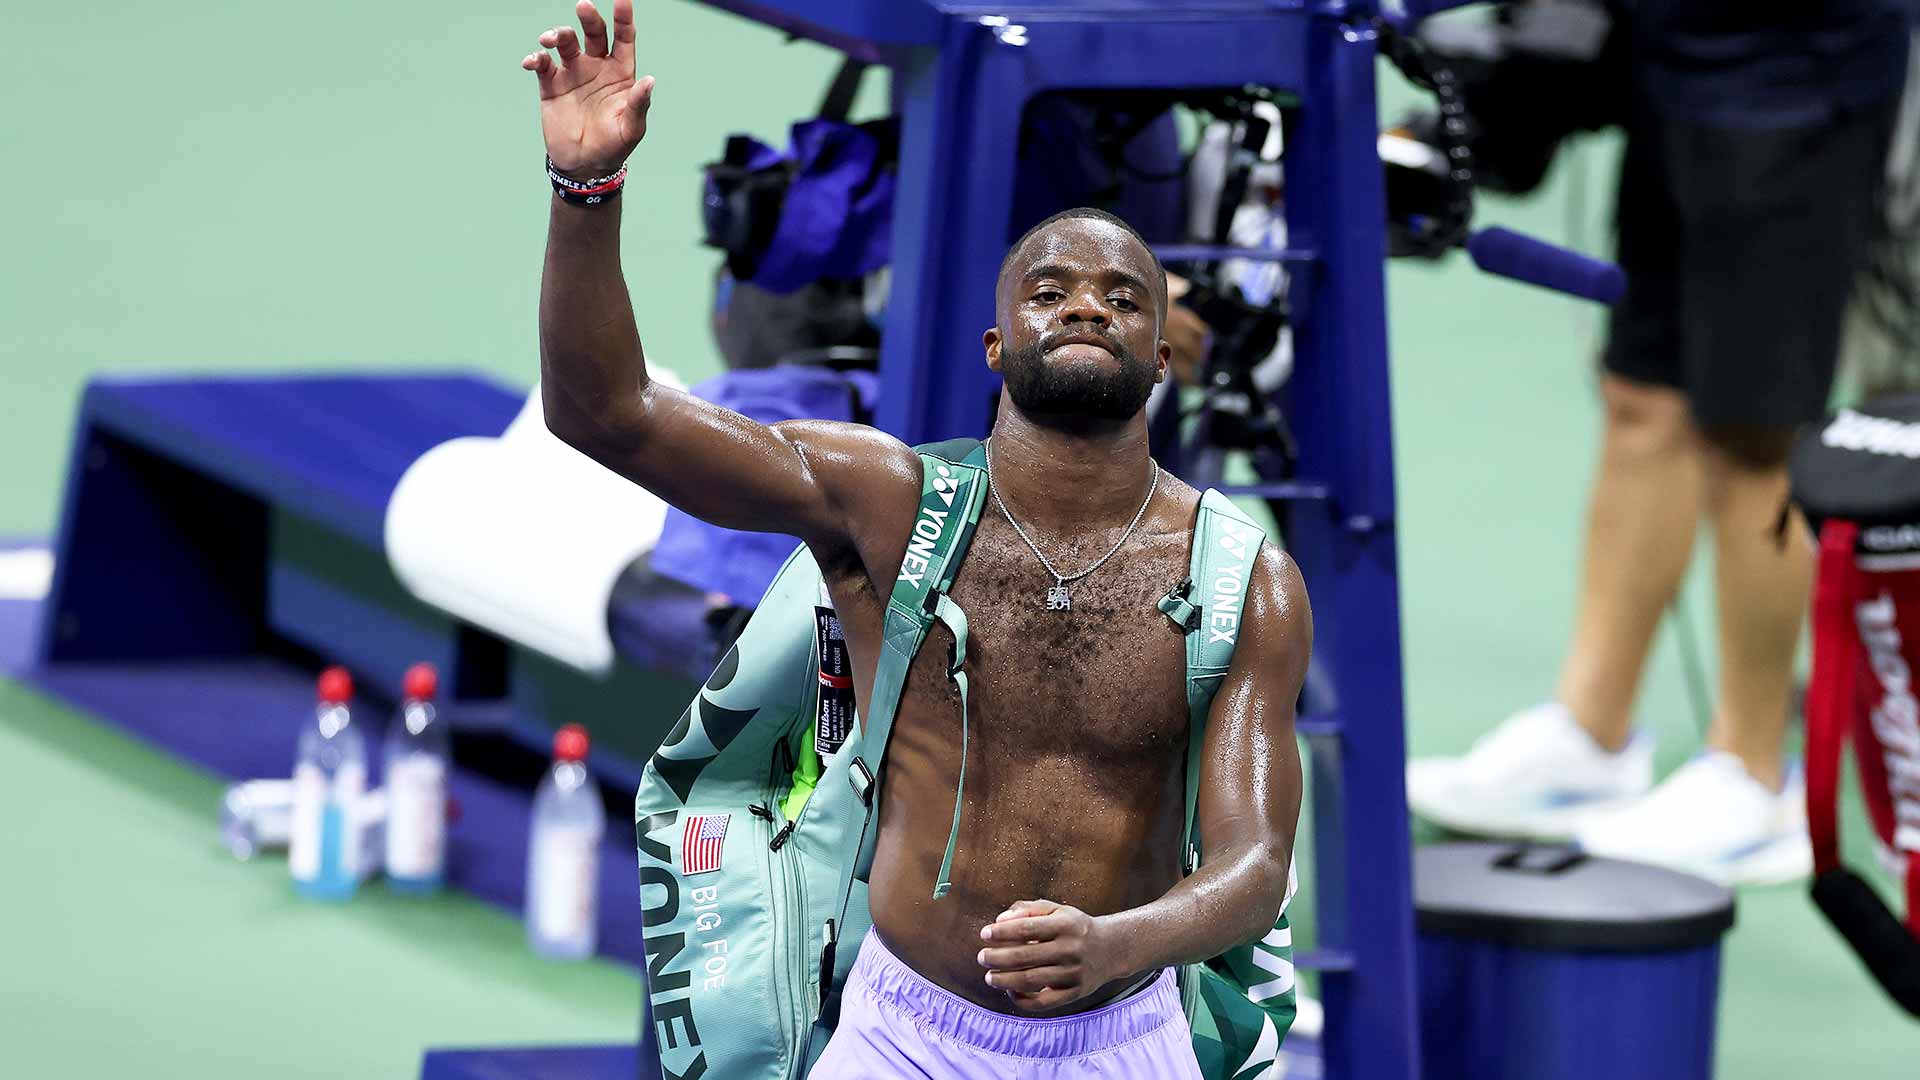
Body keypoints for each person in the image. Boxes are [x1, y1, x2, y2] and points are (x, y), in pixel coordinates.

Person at [518, 2, 1311, 1075]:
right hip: (907, 1040)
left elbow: (1255, 864)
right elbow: (606, 412)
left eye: (1123, 298)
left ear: (1163, 358)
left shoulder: (1241, 580)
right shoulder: (884, 503)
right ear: (995, 344)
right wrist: (586, 190)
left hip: (1126, 1043)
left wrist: (1116, 944)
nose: (1087, 308)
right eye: (1050, 291)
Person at [1409, 1, 1912, 886]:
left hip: (1790, 79)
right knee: (1645, 397)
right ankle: (1591, 733)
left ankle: (1754, 777)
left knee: (1754, 437)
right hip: (1665, 58)